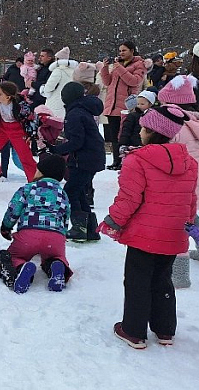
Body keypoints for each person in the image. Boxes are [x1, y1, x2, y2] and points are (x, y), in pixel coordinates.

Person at [97, 105, 197, 349]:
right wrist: (188, 224)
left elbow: (129, 198)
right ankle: (165, 329)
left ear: (152, 131)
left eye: (143, 128)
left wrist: (113, 222)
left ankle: (133, 330)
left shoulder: (137, 160)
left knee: (137, 280)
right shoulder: (189, 162)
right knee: (162, 280)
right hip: (173, 233)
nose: (140, 132)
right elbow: (190, 199)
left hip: (143, 234)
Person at [157, 75, 199, 271]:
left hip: (187, 186)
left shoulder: (174, 124)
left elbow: (164, 157)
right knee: (188, 215)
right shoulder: (197, 119)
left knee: (176, 226)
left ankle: (180, 273)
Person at [0, 154, 72, 293]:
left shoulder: (28, 188)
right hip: (55, 237)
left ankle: (21, 267)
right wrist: (62, 234)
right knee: (55, 257)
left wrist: (6, 227)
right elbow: (65, 216)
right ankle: (57, 267)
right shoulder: (63, 194)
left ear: (41, 172)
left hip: (29, 235)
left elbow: (14, 209)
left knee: (13, 257)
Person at [51, 82, 105, 242]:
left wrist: (57, 150)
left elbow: (77, 141)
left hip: (85, 158)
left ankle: (79, 228)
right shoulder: (81, 109)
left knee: (71, 191)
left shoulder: (75, 113)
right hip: (90, 156)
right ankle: (90, 230)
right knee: (79, 191)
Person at [100, 41, 146, 170]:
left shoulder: (139, 64)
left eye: (124, 50)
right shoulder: (118, 64)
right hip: (112, 105)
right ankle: (116, 160)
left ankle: (124, 160)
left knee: (124, 135)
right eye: (120, 51)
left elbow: (134, 81)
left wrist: (119, 68)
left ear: (132, 51)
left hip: (127, 106)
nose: (121, 53)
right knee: (114, 136)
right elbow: (107, 82)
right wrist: (105, 68)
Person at [0, 82, 38, 182]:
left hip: (18, 130)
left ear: (8, 97)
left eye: (0, 94)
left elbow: (31, 119)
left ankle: (35, 180)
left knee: (25, 157)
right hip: (2, 128)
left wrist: (30, 134)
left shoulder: (21, 105)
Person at [40, 47, 77, 118]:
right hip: (67, 102)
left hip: (54, 102)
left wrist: (43, 90)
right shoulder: (73, 71)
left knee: (53, 122)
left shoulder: (58, 70)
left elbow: (49, 87)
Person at [118, 91, 155, 160]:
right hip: (134, 144)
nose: (139, 106)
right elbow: (126, 130)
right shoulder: (133, 116)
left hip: (149, 145)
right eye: (138, 104)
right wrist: (123, 143)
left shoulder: (154, 116)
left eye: (142, 104)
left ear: (150, 104)